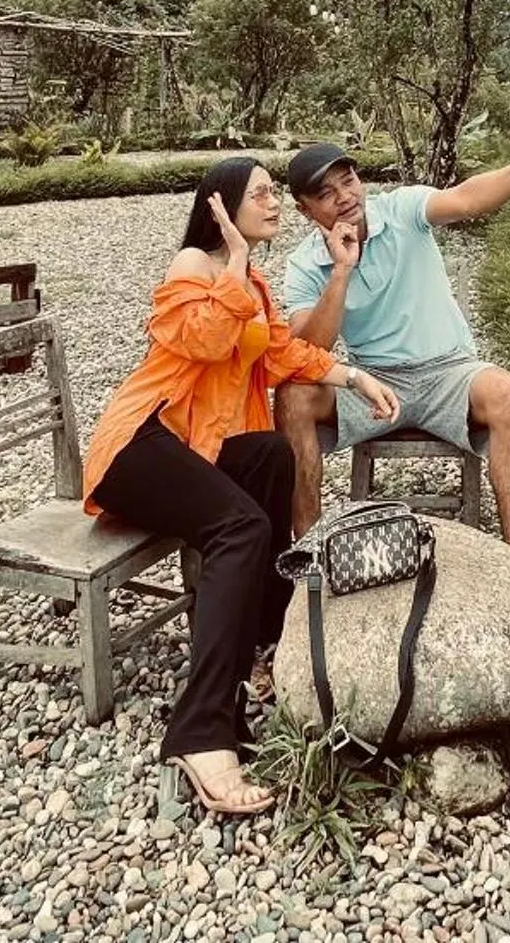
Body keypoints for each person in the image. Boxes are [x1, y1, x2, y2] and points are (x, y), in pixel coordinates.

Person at [80, 156, 401, 816]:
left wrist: (354, 378)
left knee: (272, 457)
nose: (276, 202)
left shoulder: (251, 280)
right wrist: (229, 260)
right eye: (261, 194)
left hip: (197, 444)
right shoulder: (194, 270)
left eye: (274, 193)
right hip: (139, 443)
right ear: (222, 207)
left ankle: (263, 638)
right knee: (242, 526)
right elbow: (201, 340)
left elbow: (282, 354)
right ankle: (201, 730)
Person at [273, 139, 510, 553]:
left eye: (347, 181)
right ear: (305, 210)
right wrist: (341, 271)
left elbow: (466, 199)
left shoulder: (401, 210)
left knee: (506, 391)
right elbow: (310, 351)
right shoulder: (305, 264)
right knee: (293, 396)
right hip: (374, 385)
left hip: (449, 372)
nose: (344, 197)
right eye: (325, 193)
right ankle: (309, 554)